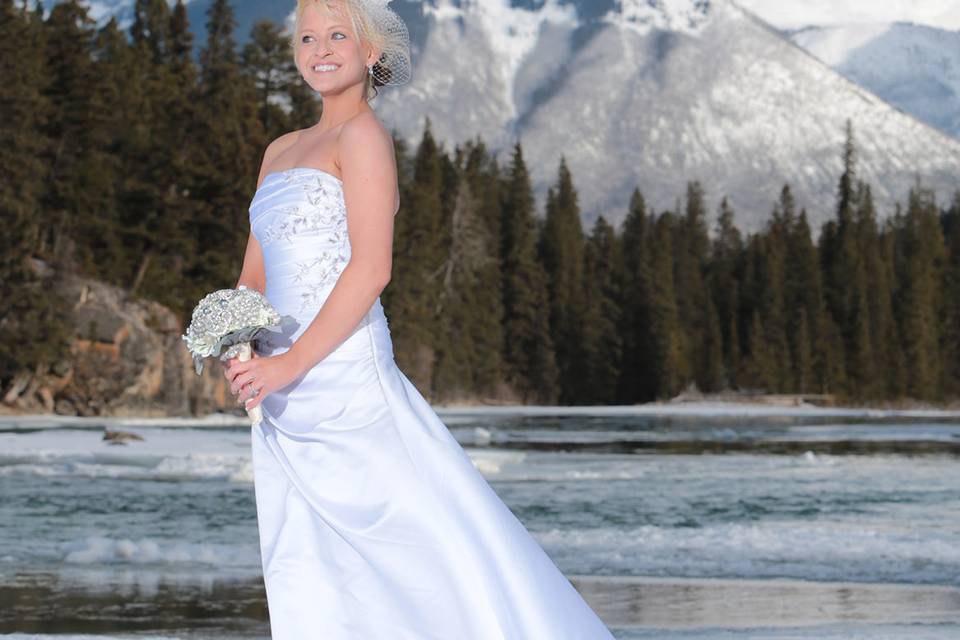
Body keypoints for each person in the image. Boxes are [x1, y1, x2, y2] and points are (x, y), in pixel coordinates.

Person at [224, 1, 616, 637]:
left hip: (343, 377)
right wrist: (239, 345)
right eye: (306, 37)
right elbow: (254, 272)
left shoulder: (364, 138)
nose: (319, 49)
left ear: (371, 52)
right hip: (278, 392)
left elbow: (371, 270)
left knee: (418, 543)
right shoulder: (279, 150)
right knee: (308, 553)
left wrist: (290, 363)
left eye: (337, 35)